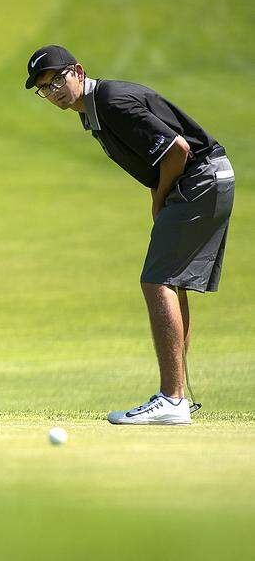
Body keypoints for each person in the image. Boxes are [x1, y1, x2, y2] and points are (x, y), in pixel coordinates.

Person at [25, 45, 234, 425]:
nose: (53, 90)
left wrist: (160, 198)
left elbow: (177, 150)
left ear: (77, 70)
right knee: (171, 280)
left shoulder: (111, 101)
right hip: (209, 178)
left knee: (156, 281)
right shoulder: (92, 112)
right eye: (44, 87)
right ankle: (179, 399)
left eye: (57, 79)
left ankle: (171, 400)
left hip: (199, 179)